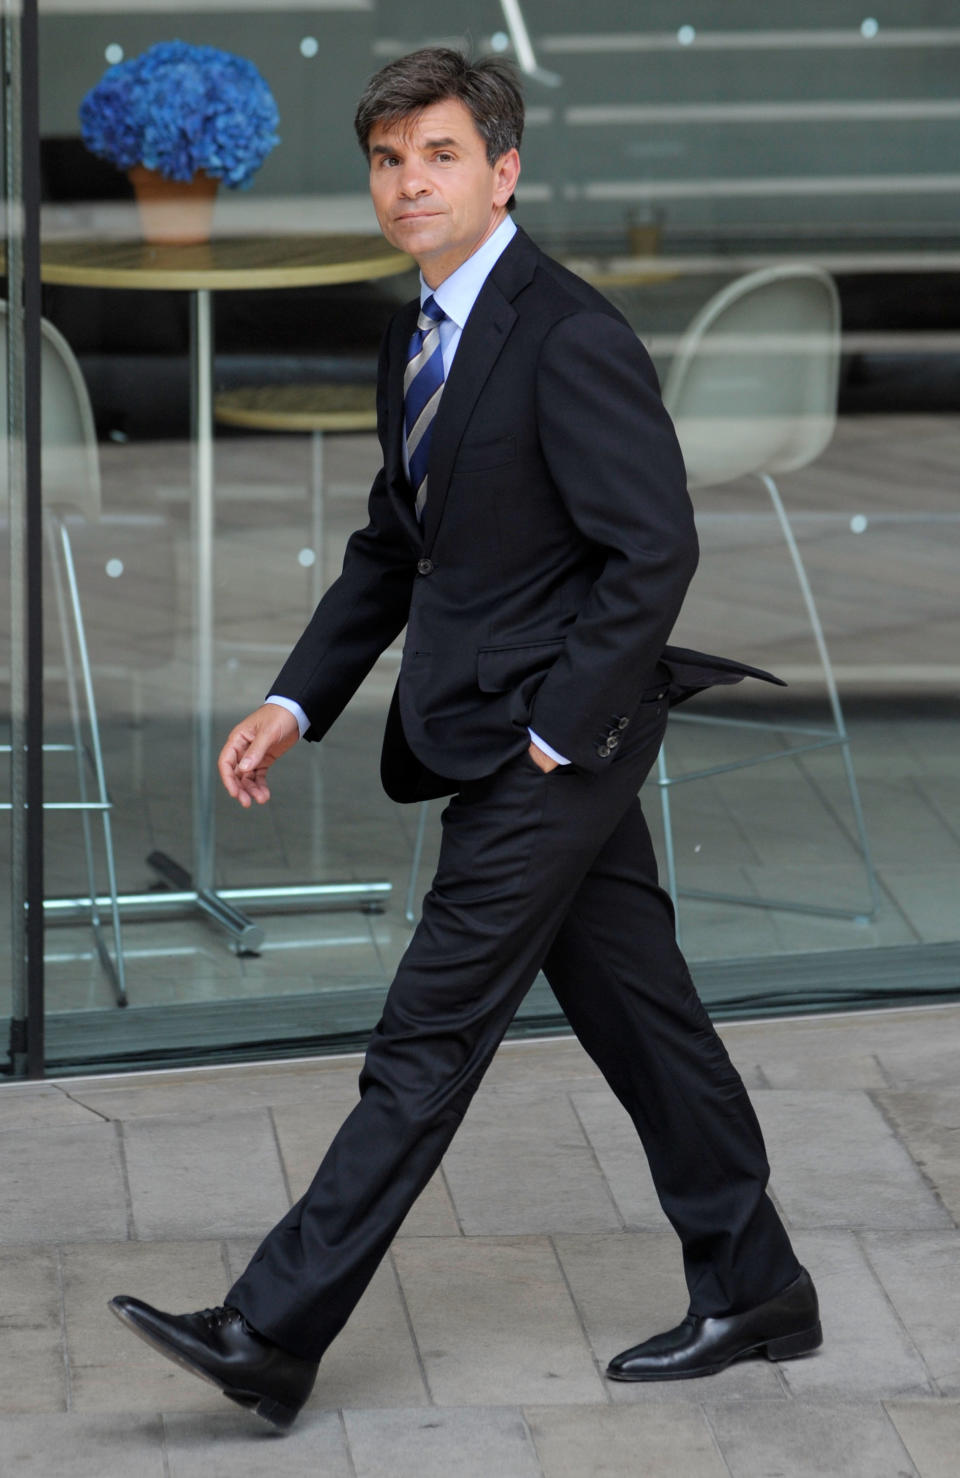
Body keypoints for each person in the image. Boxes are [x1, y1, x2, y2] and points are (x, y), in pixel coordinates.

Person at [109, 47, 821, 1430]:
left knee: (425, 1037)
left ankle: (270, 1326)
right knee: (645, 1016)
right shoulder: (419, 334)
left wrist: (562, 734)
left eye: (438, 154)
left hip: (549, 745)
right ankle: (759, 1282)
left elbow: (652, 546)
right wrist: (292, 698)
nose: (408, 182)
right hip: (517, 732)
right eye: (387, 159)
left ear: (504, 170)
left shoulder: (567, 333)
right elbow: (396, 547)